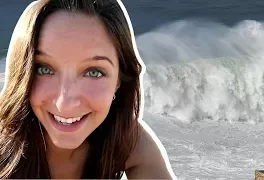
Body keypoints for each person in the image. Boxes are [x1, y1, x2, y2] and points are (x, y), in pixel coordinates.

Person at [0, 0, 176, 179]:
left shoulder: (127, 140)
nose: (65, 104)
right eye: (44, 69)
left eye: (93, 72)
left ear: (119, 80)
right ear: (22, 73)